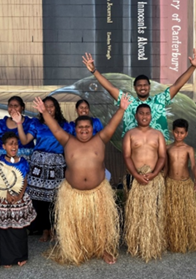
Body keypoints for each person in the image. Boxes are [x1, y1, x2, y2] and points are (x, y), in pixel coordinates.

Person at [33, 94, 131, 265]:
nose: (84, 130)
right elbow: (55, 128)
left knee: (101, 223)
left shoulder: (100, 139)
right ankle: (77, 249)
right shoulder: (67, 140)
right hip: (73, 193)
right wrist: (44, 113)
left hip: (98, 192)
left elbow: (112, 125)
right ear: (75, 128)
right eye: (80, 127)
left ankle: (104, 249)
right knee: (75, 224)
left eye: (87, 127)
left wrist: (122, 109)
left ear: (93, 128)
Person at [82, 47, 196, 140]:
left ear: (149, 87)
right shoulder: (127, 101)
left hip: (158, 148)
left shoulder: (160, 100)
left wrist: (192, 67)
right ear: (134, 88)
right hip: (134, 149)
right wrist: (94, 71)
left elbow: (177, 85)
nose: (142, 87)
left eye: (145, 85)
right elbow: (110, 88)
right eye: (139, 85)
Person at [14, 96, 73, 242]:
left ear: (56, 108)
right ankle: (45, 230)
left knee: (56, 198)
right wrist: (19, 124)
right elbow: (24, 140)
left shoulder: (65, 125)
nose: (48, 109)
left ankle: (55, 228)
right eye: (45, 106)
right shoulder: (36, 124)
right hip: (39, 164)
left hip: (57, 163)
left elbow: (72, 144)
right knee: (39, 200)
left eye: (51, 106)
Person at [123, 104, 167, 262]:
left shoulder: (158, 134)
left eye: (147, 113)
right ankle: (136, 243)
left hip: (153, 178)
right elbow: (127, 156)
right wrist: (136, 175)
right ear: (136, 115)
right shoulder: (130, 134)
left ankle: (153, 243)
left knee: (153, 212)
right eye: (141, 113)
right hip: (135, 178)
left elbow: (162, 156)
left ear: (151, 116)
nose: (144, 116)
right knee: (135, 211)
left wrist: (155, 173)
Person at [165, 119, 196, 258]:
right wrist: (163, 183)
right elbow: (166, 167)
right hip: (171, 184)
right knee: (172, 213)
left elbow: (194, 166)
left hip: (185, 184)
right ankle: (172, 240)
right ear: (173, 132)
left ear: (186, 133)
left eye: (182, 133)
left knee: (189, 215)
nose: (179, 135)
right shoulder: (168, 148)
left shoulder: (189, 149)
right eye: (176, 132)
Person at [0, 132, 36, 268]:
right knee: (4, 230)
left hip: (19, 199)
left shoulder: (22, 162)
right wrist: (5, 194)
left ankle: (21, 256)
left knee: (19, 229)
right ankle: (6, 258)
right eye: (10, 144)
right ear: (4, 146)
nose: (14, 146)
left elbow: (25, 180)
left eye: (16, 143)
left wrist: (20, 195)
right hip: (3, 199)